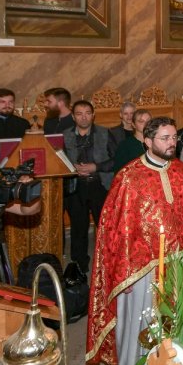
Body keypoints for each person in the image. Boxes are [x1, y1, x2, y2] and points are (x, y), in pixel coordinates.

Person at [86, 117, 183, 365]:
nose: (171, 143)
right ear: (147, 141)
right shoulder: (129, 177)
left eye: (174, 138)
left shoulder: (180, 171)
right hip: (142, 269)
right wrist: (123, 271)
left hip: (179, 262)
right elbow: (117, 229)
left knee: (180, 319)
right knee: (144, 322)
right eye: (165, 138)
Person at [62, 100, 117, 277]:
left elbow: (116, 160)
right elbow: (58, 161)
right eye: (79, 113)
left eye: (87, 113)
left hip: (99, 184)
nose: (84, 117)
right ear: (73, 116)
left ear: (93, 115)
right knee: (78, 228)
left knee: (104, 227)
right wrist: (72, 169)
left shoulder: (105, 133)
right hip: (75, 186)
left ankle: (107, 263)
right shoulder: (65, 136)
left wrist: (96, 167)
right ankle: (80, 268)